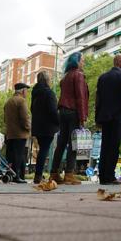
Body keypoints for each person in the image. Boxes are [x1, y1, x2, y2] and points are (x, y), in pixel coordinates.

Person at [48, 52, 88, 185]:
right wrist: (82, 117)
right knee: (74, 144)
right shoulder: (78, 75)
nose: (84, 63)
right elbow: (80, 97)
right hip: (73, 112)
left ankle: (54, 173)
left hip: (63, 112)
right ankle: (69, 174)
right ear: (76, 61)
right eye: (82, 60)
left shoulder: (65, 77)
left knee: (61, 143)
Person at [96, 54, 121, 185]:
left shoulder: (102, 78)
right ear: (120, 62)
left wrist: (97, 119)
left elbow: (98, 100)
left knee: (105, 147)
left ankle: (103, 176)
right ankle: (110, 176)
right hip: (119, 118)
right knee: (114, 148)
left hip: (105, 118)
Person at [31, 71, 59, 184]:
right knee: (44, 150)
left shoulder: (35, 93)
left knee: (42, 149)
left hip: (37, 126)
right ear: (47, 80)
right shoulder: (49, 93)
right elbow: (53, 111)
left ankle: (38, 174)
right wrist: (59, 122)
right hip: (48, 127)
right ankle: (38, 175)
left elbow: (32, 109)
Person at [4, 83, 31, 184]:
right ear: (23, 91)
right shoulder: (21, 101)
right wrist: (28, 128)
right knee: (19, 155)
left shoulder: (8, 102)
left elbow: (5, 119)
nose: (27, 93)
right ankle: (17, 176)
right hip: (20, 133)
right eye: (26, 91)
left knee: (11, 155)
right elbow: (25, 118)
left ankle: (11, 175)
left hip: (10, 133)